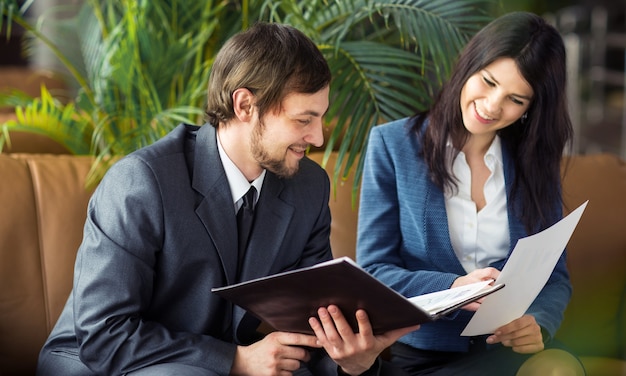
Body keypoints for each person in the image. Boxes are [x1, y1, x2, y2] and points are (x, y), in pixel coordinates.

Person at [37, 22, 417, 376]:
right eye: (304, 120)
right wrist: (235, 360)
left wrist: (350, 362)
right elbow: (105, 334)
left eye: (320, 119)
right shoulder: (141, 181)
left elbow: (312, 321)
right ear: (244, 106)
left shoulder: (309, 186)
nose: (318, 138)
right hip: (99, 361)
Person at [356, 11, 586, 376]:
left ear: (531, 109)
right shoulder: (392, 145)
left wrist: (537, 323)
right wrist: (455, 287)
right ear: (468, 67)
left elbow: (555, 276)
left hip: (506, 348)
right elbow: (373, 272)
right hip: (426, 353)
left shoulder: (534, 162)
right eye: (488, 81)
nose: (493, 106)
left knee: (558, 368)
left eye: (516, 99)